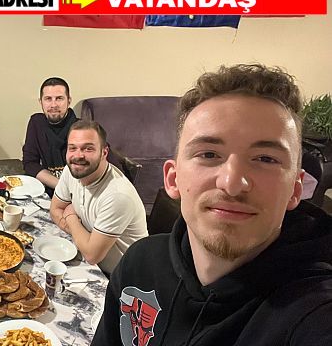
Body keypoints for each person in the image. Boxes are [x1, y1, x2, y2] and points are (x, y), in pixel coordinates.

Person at [91, 64, 332, 346]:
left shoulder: (313, 314)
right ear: (172, 179)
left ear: (295, 189)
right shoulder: (138, 265)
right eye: (208, 154)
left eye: (265, 159)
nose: (232, 183)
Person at [50, 120, 148, 276]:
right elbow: (55, 209)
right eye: (72, 148)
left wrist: (70, 217)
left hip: (122, 277)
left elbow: (92, 255)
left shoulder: (118, 195)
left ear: (104, 153)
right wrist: (83, 239)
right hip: (92, 264)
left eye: (88, 148)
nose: (78, 156)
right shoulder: (73, 170)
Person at [22, 77, 78, 196]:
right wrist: (62, 188)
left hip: (78, 194)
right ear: (40, 102)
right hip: (53, 191)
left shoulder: (83, 128)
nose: (53, 105)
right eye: (48, 99)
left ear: (69, 101)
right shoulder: (36, 123)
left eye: (59, 98)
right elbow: (30, 163)